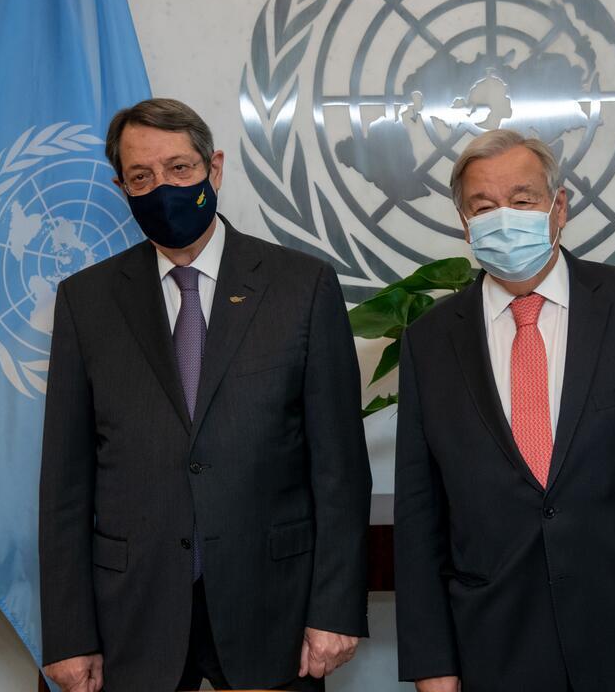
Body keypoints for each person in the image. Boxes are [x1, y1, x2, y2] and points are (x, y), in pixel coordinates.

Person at [39, 99, 371, 692]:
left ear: (213, 169)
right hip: (133, 616)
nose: (162, 188)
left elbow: (340, 470)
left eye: (179, 169)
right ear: (121, 188)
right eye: (141, 177)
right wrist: (69, 634)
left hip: (273, 608)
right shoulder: (86, 301)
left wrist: (336, 609)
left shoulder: (302, 286)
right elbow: (65, 483)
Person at [393, 129, 615, 692]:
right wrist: (431, 661)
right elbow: (418, 511)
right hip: (494, 636)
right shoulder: (429, 341)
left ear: (559, 207)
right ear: (465, 224)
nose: (505, 217)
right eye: (484, 206)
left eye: (523, 200)